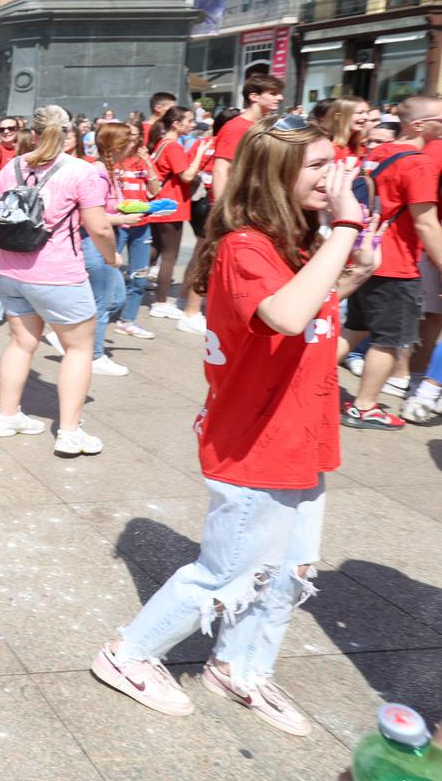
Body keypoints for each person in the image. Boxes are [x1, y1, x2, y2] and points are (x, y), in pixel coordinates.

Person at [91, 116, 378, 736]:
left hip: (301, 428)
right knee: (230, 572)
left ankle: (239, 666)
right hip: (256, 437)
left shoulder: (298, 241)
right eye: (320, 166)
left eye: (336, 162)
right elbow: (284, 315)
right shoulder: (247, 246)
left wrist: (350, 268)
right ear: (275, 173)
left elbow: (315, 331)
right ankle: (130, 654)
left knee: (292, 568)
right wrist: (347, 228)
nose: (338, 177)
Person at [0, 105, 118, 454]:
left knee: (20, 343)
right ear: (67, 132)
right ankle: (70, 432)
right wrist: (111, 257)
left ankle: (7, 415)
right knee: (78, 349)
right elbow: (100, 226)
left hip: (8, 270)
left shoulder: (10, 168)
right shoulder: (80, 171)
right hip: (57, 273)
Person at [340, 95, 442, 430]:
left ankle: (299, 381)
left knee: (354, 329)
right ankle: (365, 406)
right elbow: (427, 223)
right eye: (440, 119)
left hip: (366, 256)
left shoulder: (380, 152)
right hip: (396, 265)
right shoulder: (419, 162)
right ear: (419, 124)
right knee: (389, 339)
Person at [145, 107, 212, 334]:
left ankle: (135, 287)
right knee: (169, 256)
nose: (193, 125)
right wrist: (201, 152)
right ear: (176, 123)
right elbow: (187, 175)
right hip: (171, 205)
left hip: (162, 204)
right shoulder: (172, 146)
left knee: (154, 250)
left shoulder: (162, 143)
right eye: (189, 121)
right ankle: (161, 302)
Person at [95, 121, 158, 342]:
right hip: (115, 228)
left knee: (138, 277)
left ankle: (127, 321)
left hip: (139, 225)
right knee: (107, 290)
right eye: (128, 137)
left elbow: (155, 190)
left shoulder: (136, 161)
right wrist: (121, 218)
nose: (133, 140)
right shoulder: (103, 168)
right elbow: (93, 214)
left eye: (135, 136)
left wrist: (149, 164)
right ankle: (84, 340)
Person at [210, 74, 285, 202]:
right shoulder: (236, 127)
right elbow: (220, 170)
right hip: (239, 204)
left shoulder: (262, 125)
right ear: (254, 97)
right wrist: (221, 212)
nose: (280, 98)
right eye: (273, 93)